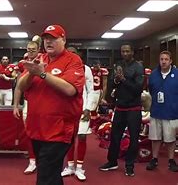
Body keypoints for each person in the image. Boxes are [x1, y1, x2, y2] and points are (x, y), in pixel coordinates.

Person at [17, 25, 85, 185]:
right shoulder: (39, 59)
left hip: (59, 130)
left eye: (53, 38)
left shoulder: (73, 60)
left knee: (45, 175)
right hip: (38, 128)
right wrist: (32, 73)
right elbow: (21, 86)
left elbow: (69, 89)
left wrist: (41, 74)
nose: (48, 42)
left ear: (64, 40)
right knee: (50, 172)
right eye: (46, 39)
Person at [99, 43, 144, 177]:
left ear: (132, 52)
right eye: (123, 51)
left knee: (134, 138)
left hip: (134, 108)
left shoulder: (138, 67)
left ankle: (129, 165)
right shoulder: (118, 65)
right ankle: (112, 161)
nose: (125, 53)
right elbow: (112, 84)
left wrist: (123, 79)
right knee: (115, 136)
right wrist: (117, 80)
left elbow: (138, 88)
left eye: (127, 51)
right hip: (120, 107)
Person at [61, 47, 96, 181]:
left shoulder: (85, 68)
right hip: (67, 109)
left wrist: (89, 109)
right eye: (69, 52)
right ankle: (70, 167)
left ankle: (79, 168)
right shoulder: (63, 67)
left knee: (81, 137)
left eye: (74, 53)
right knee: (69, 138)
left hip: (83, 108)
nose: (72, 55)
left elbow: (91, 89)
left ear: (79, 55)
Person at [146, 51, 178, 172]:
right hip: (156, 111)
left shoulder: (177, 74)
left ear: (170, 61)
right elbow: (150, 90)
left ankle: (171, 160)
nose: (163, 61)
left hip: (172, 112)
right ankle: (154, 159)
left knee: (170, 139)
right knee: (155, 138)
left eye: (166, 59)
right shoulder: (153, 75)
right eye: (161, 59)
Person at [13, 41, 40, 174]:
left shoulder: (43, 61)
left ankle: (43, 159)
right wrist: (15, 105)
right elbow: (18, 87)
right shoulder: (22, 64)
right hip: (28, 102)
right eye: (29, 49)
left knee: (44, 133)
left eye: (33, 50)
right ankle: (32, 161)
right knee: (29, 133)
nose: (31, 52)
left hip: (42, 103)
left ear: (38, 49)